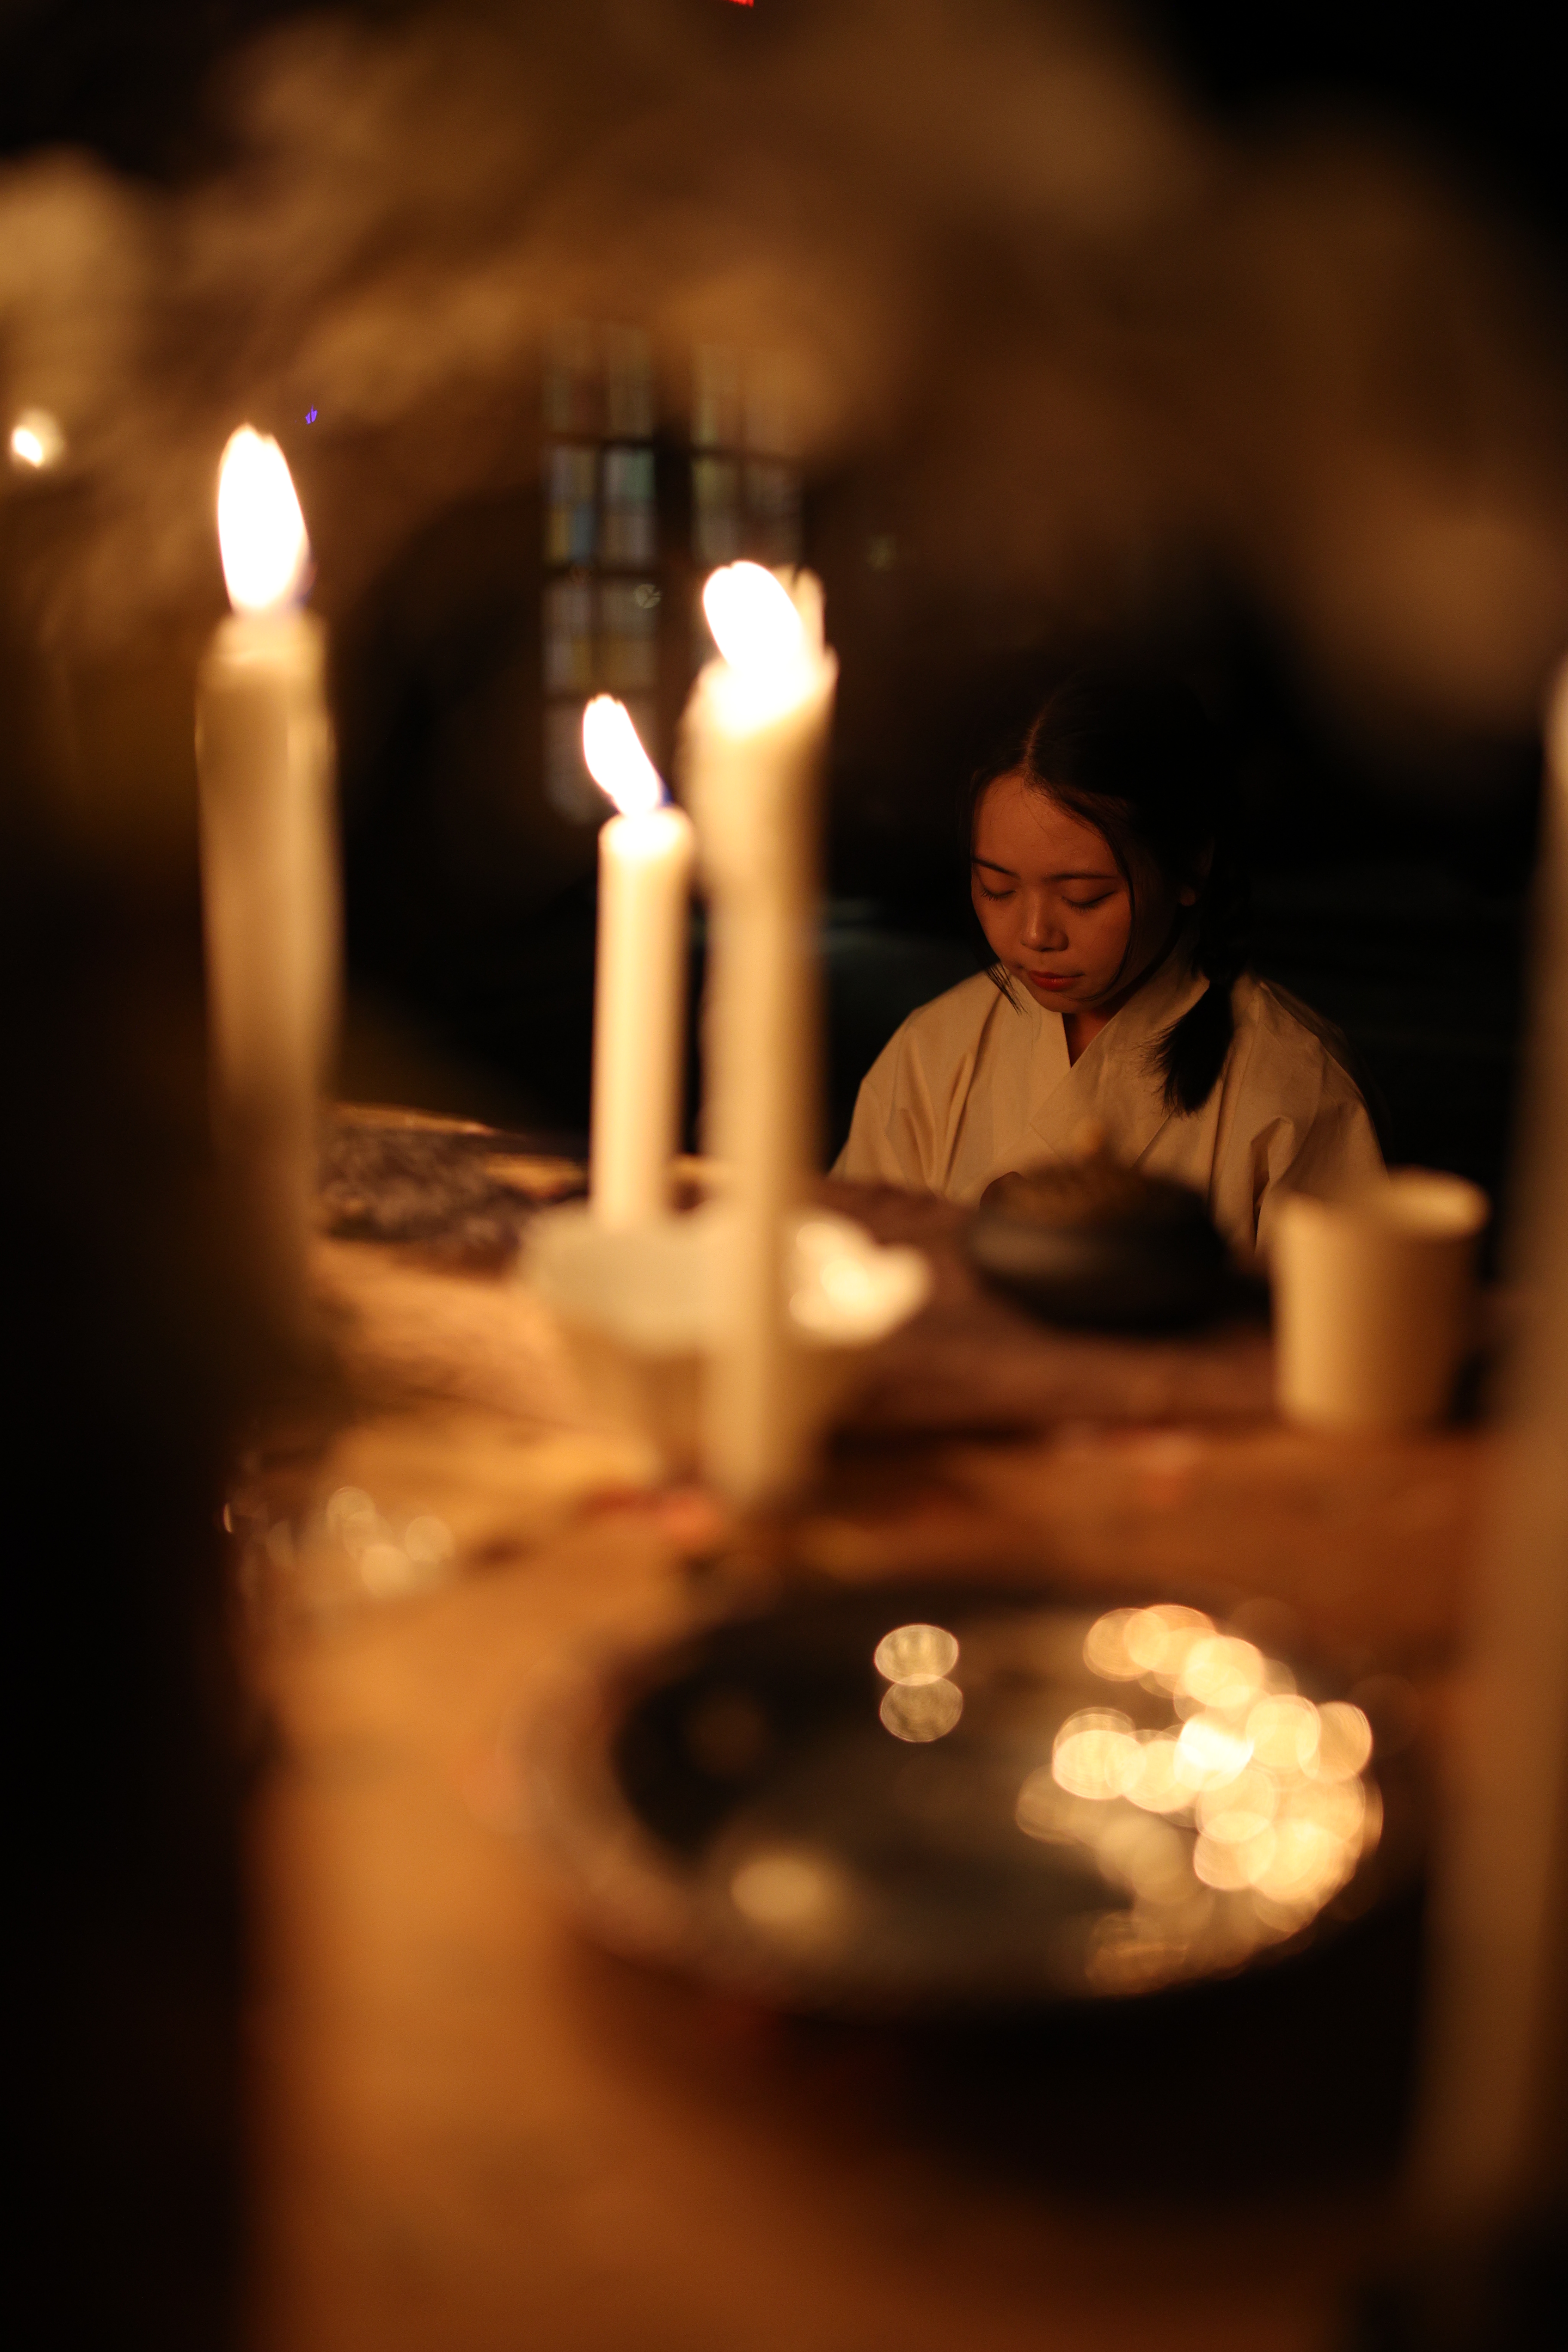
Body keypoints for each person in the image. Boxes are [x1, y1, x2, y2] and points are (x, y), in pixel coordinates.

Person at [833, 671, 1384, 1260]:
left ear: (1190, 865)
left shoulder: (1296, 1091)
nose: (1035, 935)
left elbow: (1340, 1307)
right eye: (998, 888)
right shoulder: (932, 1053)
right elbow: (848, 1264)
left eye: (1084, 897)